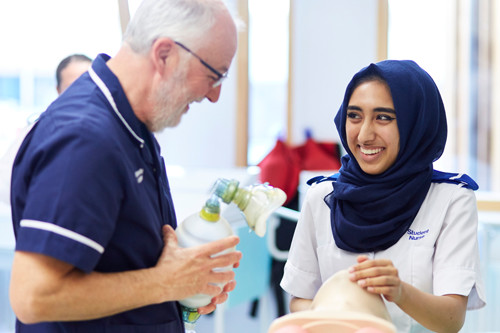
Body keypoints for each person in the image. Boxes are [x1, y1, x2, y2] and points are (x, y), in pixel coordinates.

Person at [9, 0, 241, 332]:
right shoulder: (86, 138)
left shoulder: (130, 125)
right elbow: (34, 297)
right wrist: (166, 283)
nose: (214, 95)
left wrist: (185, 285)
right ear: (164, 55)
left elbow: (124, 263)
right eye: (213, 75)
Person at [280, 60, 485, 332]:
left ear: (416, 124)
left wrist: (400, 292)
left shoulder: (451, 200)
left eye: (383, 117)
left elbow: (451, 320)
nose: (364, 135)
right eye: (354, 116)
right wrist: (345, 318)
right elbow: (300, 298)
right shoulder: (322, 196)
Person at [0, 53, 92, 205]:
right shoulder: (38, 131)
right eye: (73, 87)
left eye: (87, 84)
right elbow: (5, 184)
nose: (82, 93)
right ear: (58, 90)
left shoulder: (114, 130)